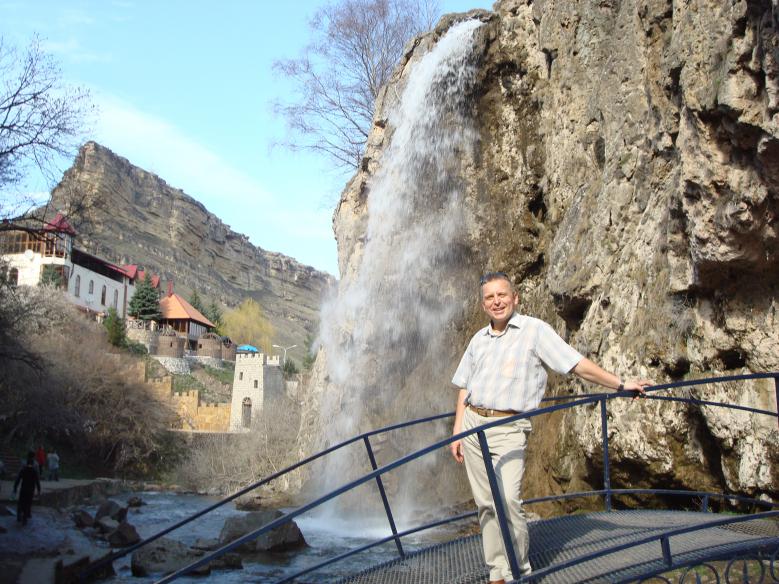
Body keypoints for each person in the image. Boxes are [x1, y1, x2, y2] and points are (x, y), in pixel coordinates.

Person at [450, 272, 650, 583]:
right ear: (483, 304)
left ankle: (518, 572)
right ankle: (497, 573)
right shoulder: (479, 339)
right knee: (486, 504)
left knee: (507, 500)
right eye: (490, 298)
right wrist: (457, 431)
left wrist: (620, 384)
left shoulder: (534, 331)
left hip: (508, 426)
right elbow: (465, 386)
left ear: (515, 298)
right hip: (473, 425)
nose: (497, 301)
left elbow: (575, 363)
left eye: (502, 295)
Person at [13, 452, 41, 526]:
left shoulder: (23, 470)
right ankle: (25, 518)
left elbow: (18, 479)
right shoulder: (34, 471)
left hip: (23, 489)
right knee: (28, 503)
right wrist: (39, 490)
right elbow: (37, 481)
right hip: (30, 490)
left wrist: (15, 488)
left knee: (21, 502)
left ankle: (19, 515)